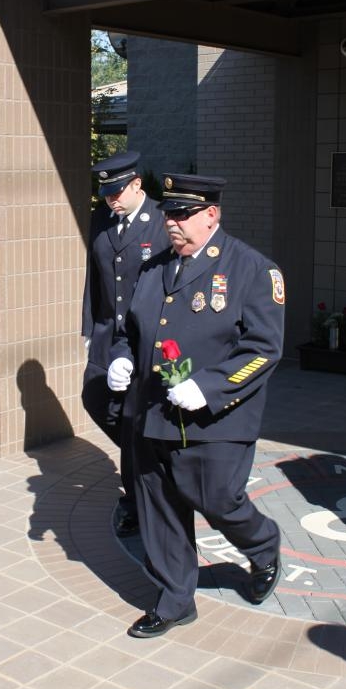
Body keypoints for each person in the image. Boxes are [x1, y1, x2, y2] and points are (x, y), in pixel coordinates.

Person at [107, 173, 285, 637]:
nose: (173, 223)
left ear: (212, 214)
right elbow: (130, 331)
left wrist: (209, 387)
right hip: (151, 414)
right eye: (169, 213)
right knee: (159, 507)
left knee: (219, 500)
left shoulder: (252, 270)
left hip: (215, 418)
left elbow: (265, 349)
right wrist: (122, 359)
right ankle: (175, 598)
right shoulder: (153, 268)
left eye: (183, 214)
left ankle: (263, 545)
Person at [81, 150, 170, 537]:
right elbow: (95, 277)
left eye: (118, 191)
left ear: (137, 184)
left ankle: (136, 499)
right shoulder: (100, 220)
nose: (111, 199)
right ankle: (147, 458)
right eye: (106, 193)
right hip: (106, 335)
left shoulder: (162, 223)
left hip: (143, 339)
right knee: (94, 397)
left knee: (136, 422)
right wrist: (87, 331)